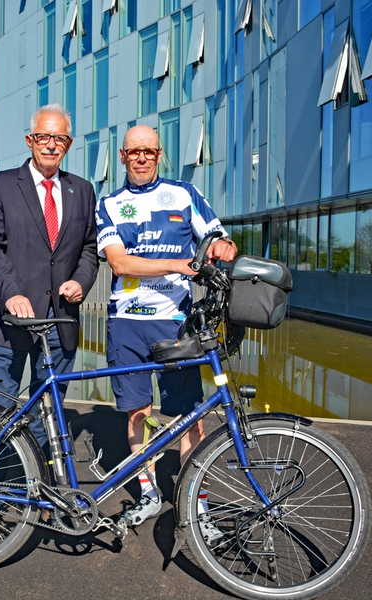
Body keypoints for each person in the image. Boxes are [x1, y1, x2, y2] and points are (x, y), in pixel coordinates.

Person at [95, 125, 238, 527]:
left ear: (159, 155)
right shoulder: (108, 203)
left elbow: (215, 238)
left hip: (176, 321)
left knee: (188, 415)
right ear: (122, 157)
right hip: (127, 321)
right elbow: (120, 263)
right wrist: (179, 264)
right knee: (138, 411)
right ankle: (149, 490)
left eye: (149, 151)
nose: (141, 158)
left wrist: (221, 248)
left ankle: (198, 503)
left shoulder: (184, 194)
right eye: (133, 152)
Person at [0, 103, 99, 447]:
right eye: (43, 136)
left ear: (69, 144)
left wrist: (81, 281)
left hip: (61, 320)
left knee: (50, 412)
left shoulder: (83, 190)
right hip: (10, 320)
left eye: (59, 138)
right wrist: (12, 293)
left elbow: (90, 248)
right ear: (30, 140)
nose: (51, 144)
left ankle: (42, 488)